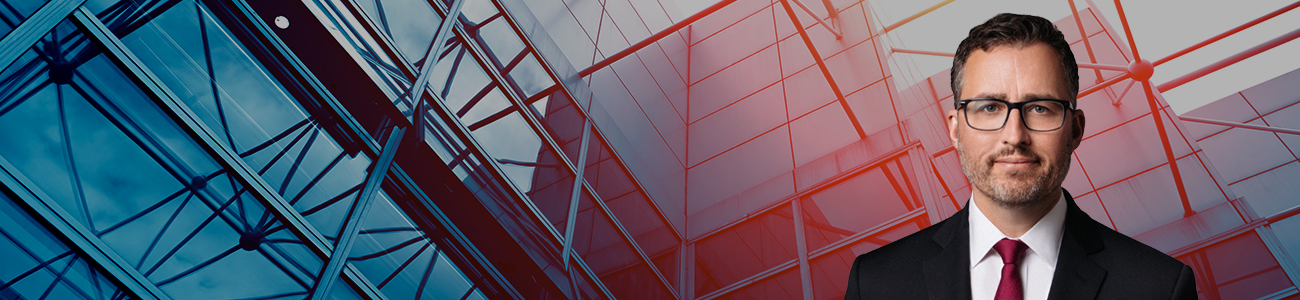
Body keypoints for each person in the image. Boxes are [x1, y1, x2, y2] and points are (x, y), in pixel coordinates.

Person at [843, 13, 1196, 300]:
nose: (1015, 136)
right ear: (954, 129)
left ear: (1075, 130)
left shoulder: (1158, 287)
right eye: (990, 107)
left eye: (1040, 108)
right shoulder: (877, 283)